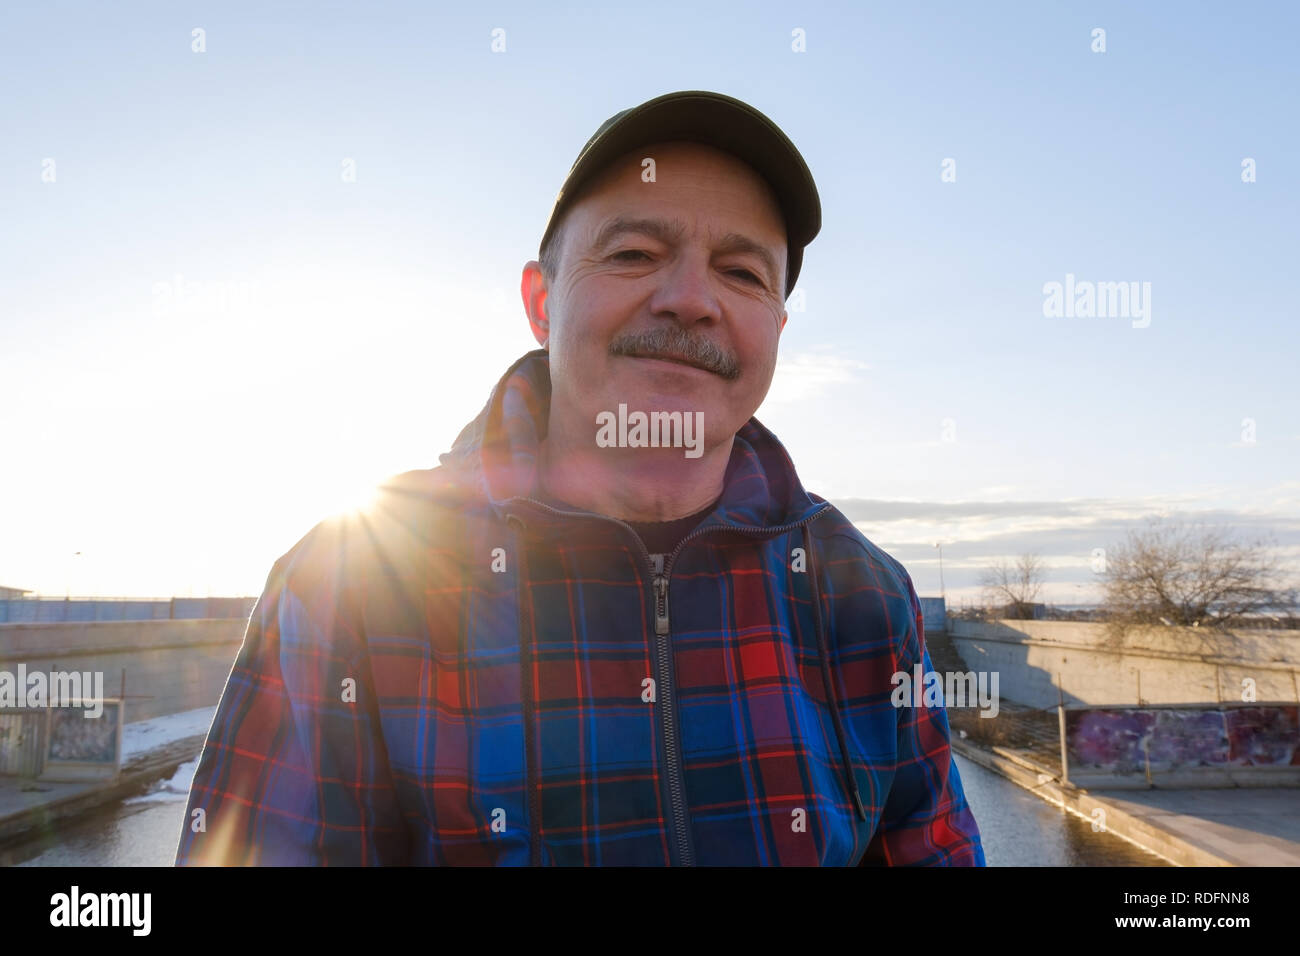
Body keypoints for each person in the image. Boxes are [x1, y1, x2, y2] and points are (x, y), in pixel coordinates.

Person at [175, 90, 985, 866]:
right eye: (635, 254)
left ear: (775, 327)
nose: (690, 299)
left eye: (742, 273)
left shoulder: (864, 594)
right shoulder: (353, 581)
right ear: (541, 300)